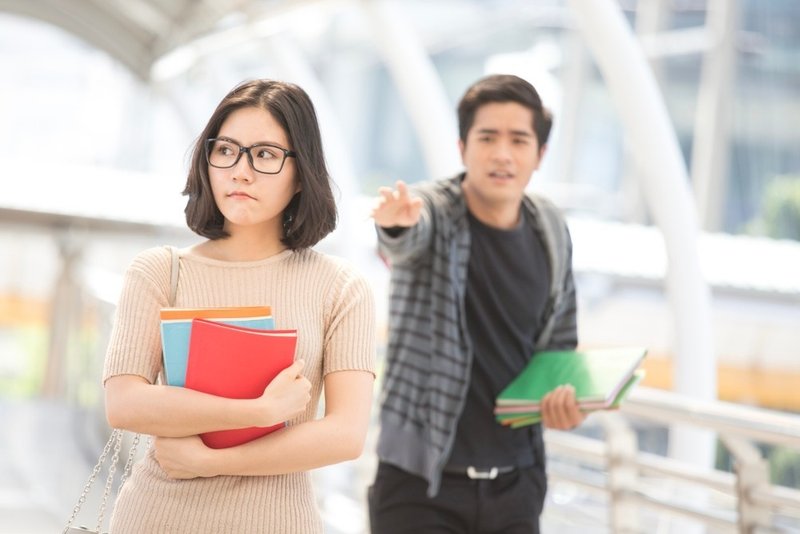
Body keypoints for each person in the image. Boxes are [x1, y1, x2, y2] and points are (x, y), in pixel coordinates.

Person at [103, 79, 376, 534]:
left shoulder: (340, 287)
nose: (240, 171)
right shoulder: (158, 272)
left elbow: (345, 435)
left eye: (265, 155)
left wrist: (211, 461)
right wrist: (258, 412)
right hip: (155, 518)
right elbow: (125, 404)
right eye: (226, 150)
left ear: (301, 171)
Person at [368, 73, 585, 533]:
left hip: (518, 486)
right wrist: (395, 227)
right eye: (487, 137)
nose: (502, 153)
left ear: (539, 155)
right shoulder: (433, 209)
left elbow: (560, 342)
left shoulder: (550, 228)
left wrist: (567, 400)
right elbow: (405, 240)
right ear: (463, 146)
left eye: (518, 140)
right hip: (419, 487)